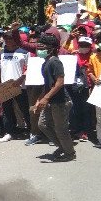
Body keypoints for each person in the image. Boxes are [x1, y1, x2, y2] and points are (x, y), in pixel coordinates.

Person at [32, 34, 75, 162]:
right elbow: (47, 85)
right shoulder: (45, 62)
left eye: (42, 47)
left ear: (51, 48)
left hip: (60, 101)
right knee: (43, 124)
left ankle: (70, 153)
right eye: (38, 47)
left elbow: (60, 82)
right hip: (50, 100)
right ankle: (62, 147)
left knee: (61, 129)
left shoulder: (55, 62)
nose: (39, 50)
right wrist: (39, 100)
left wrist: (46, 98)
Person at [0, 30, 30, 142]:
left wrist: (22, 78)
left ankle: (31, 132)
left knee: (25, 109)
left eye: (11, 38)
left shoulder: (24, 52)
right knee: (7, 111)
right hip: (5, 86)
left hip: (21, 86)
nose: (8, 40)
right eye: (6, 38)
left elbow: (29, 68)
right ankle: (9, 132)